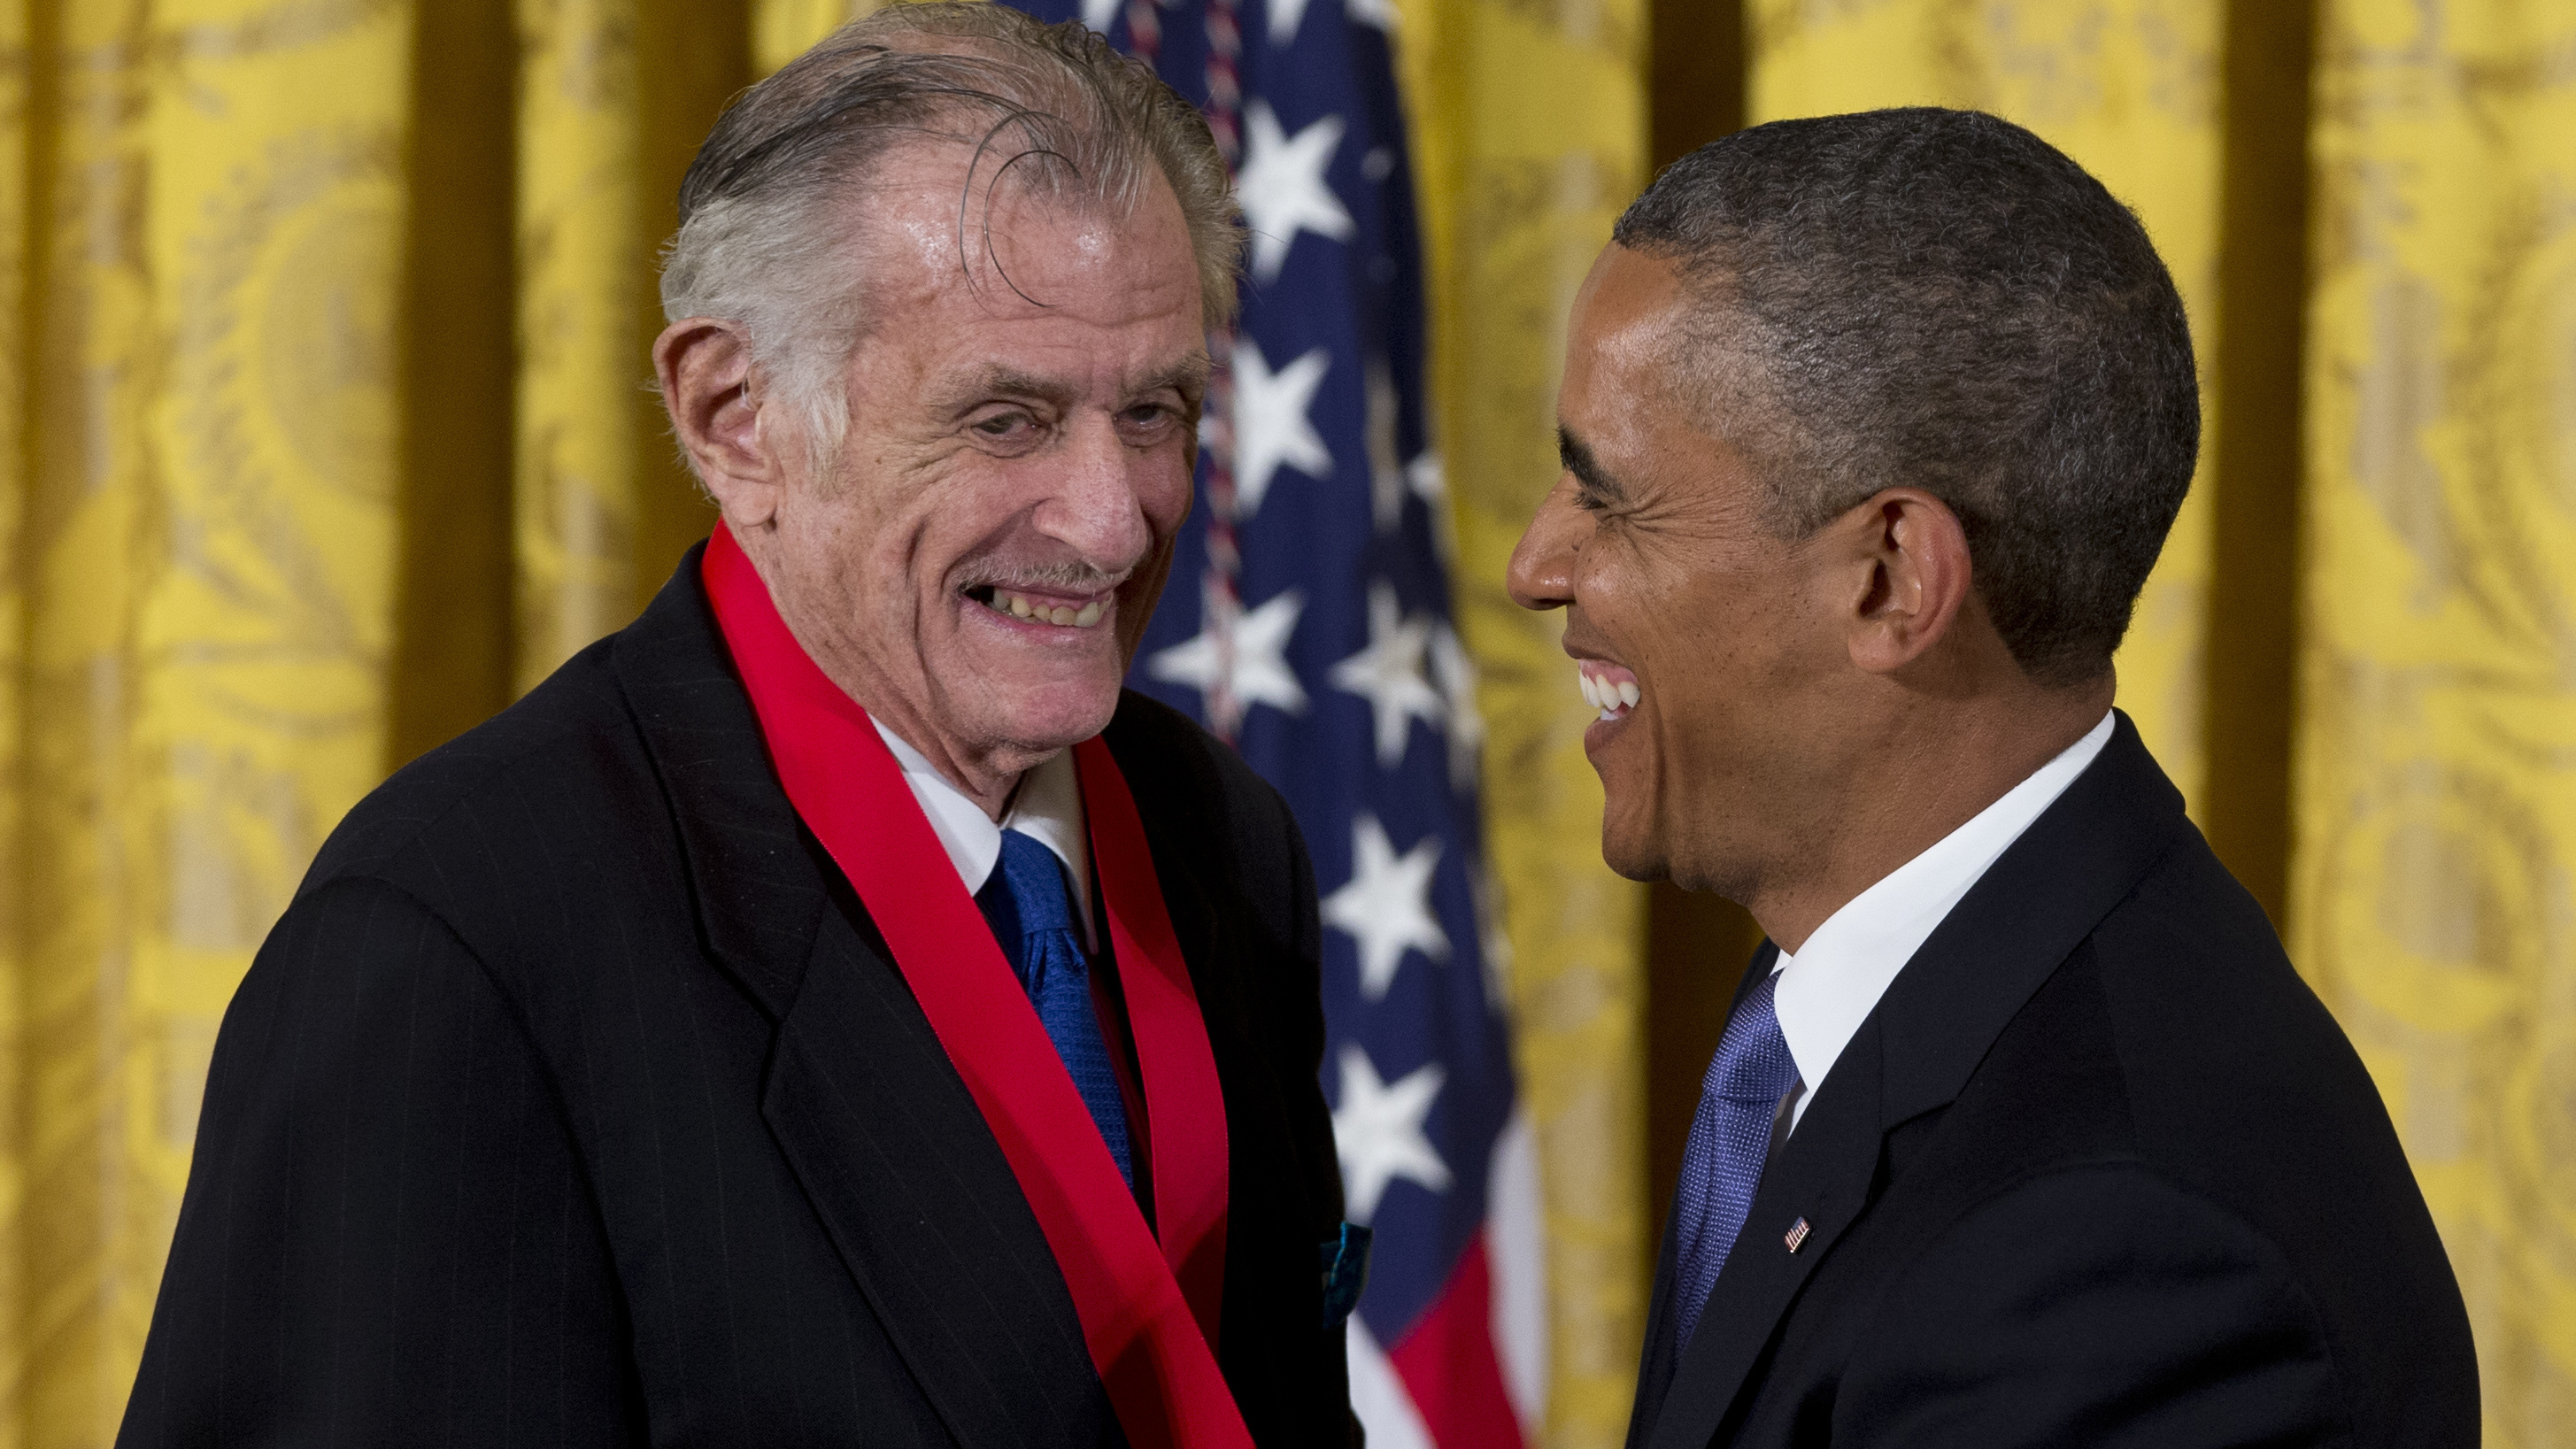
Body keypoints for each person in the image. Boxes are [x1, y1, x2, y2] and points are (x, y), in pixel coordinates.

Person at [118, 8, 1359, 1446]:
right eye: (1006, 419)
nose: (1111, 514)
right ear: (733, 417)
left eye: (1152, 411)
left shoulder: (1223, 838)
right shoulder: (460, 938)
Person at [1509, 108, 2477, 1449]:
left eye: (1607, 497)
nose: (1534, 567)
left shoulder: (2126, 1258)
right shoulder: (1882, 986)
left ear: (1890, 576)